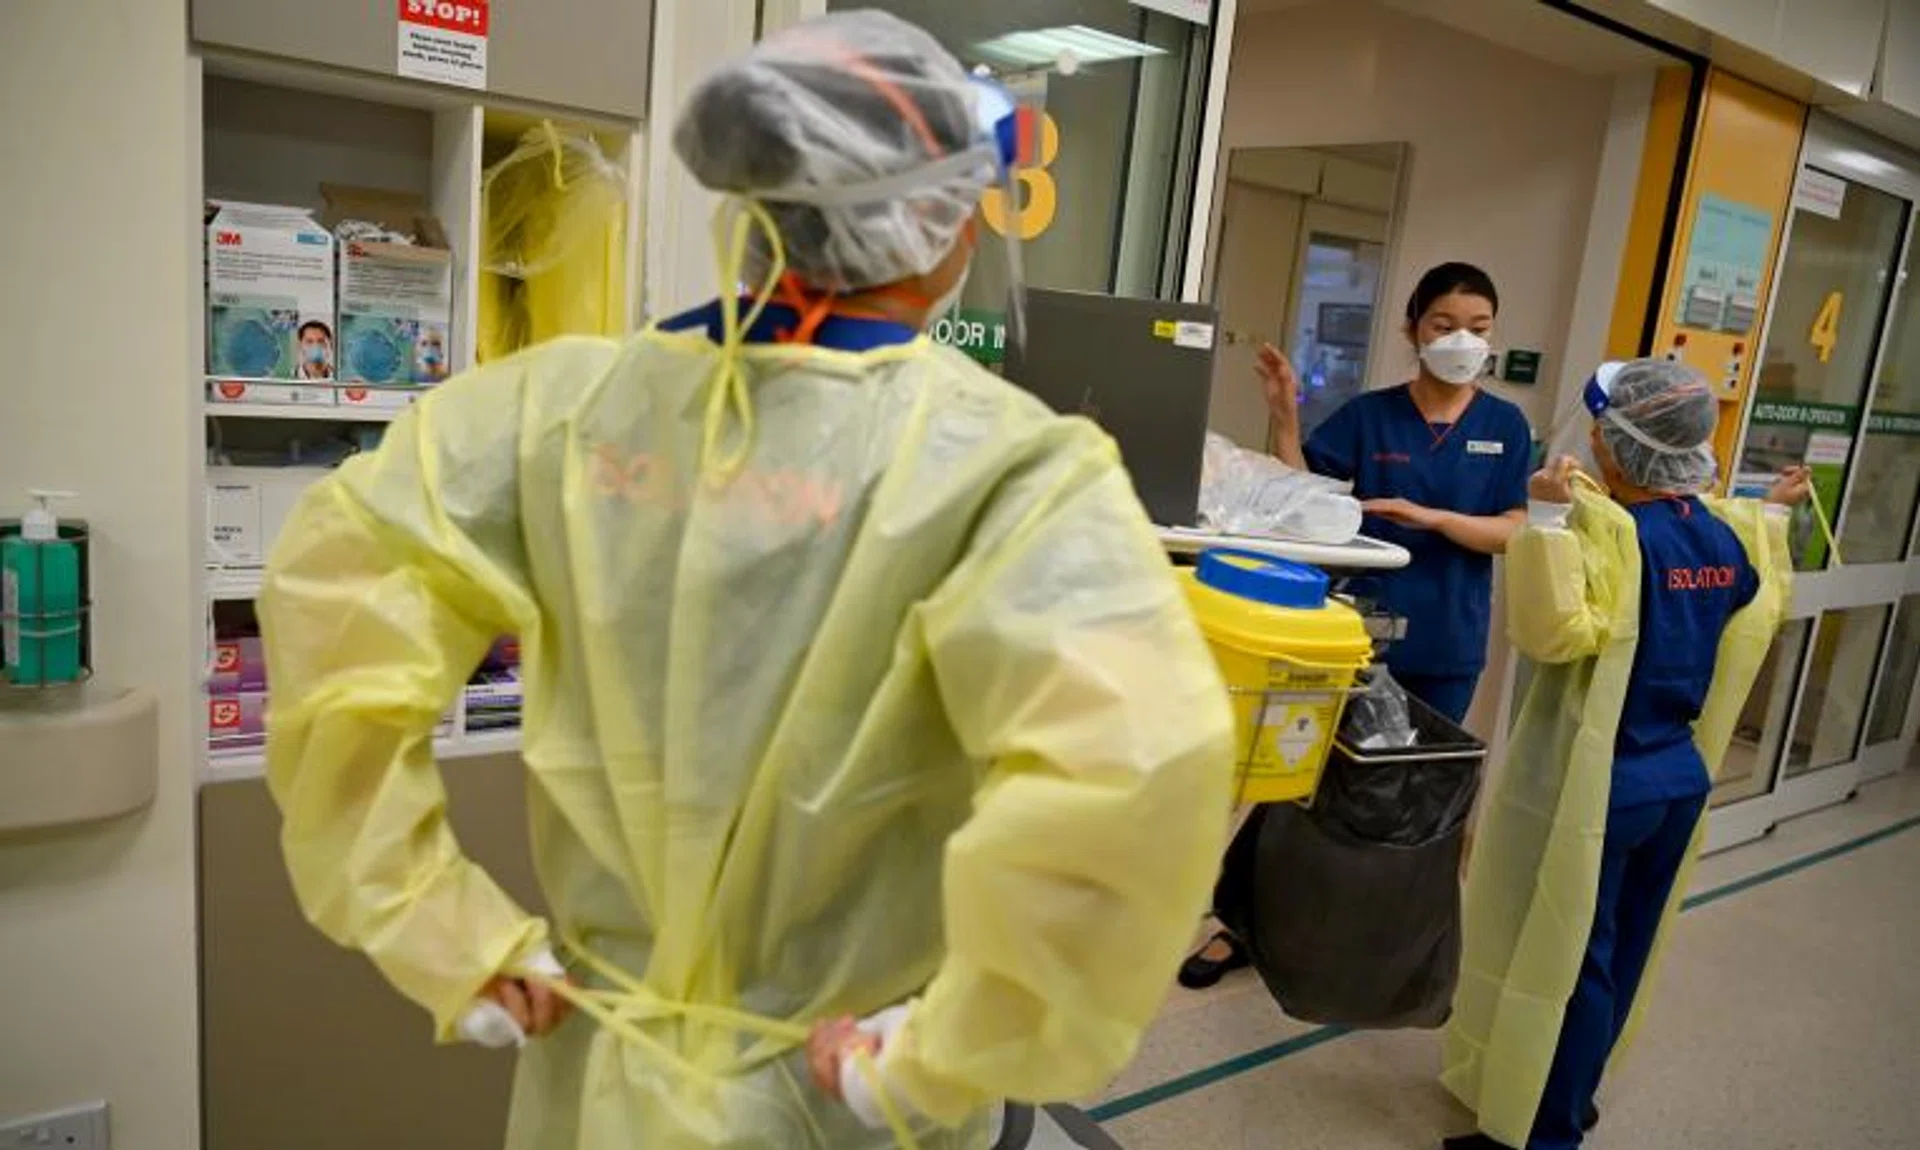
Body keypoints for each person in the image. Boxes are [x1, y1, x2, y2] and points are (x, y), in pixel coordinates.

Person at [256, 12, 1234, 1150]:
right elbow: (1138, 776)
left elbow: (336, 600)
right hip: (845, 1092)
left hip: (604, 1081)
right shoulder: (1009, 465)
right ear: (938, 221)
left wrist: (447, 932)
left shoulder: (555, 411)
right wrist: (946, 1051)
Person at [1441, 359, 1810, 1150]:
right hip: (1677, 777)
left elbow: (1554, 630)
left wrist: (1544, 522)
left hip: (1607, 785)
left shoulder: (1618, 541)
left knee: (1572, 964)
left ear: (1615, 450)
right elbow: (1744, 588)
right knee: (1623, 953)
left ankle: (1545, 1135)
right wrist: (1766, 511)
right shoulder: (1710, 533)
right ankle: (1575, 1096)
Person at [1181, 262, 1531, 990]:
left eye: (1478, 328)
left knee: (1401, 793)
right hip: (1355, 633)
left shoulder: (1504, 425)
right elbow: (1299, 494)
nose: (1461, 340)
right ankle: (1239, 924)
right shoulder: (1372, 415)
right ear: (1413, 330)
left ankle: (1352, 939)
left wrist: (1431, 519)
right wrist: (1285, 417)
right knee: (1301, 783)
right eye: (1444, 325)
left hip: (1448, 639)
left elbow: (1513, 530)